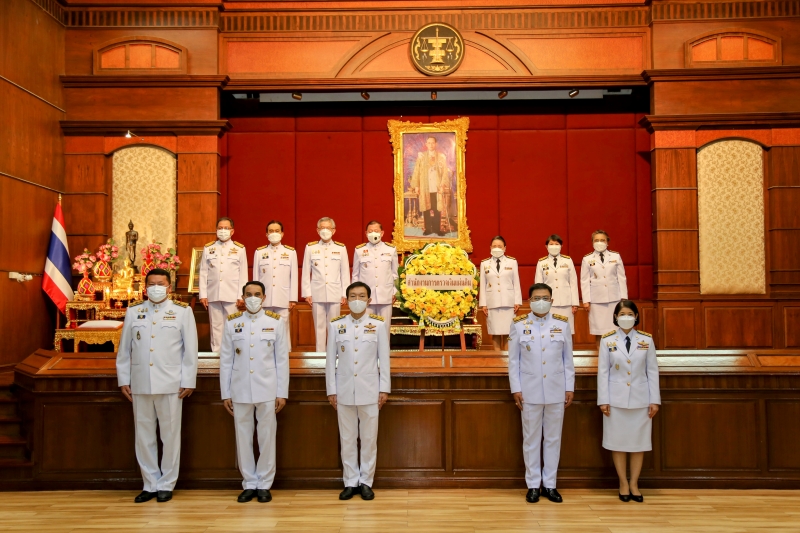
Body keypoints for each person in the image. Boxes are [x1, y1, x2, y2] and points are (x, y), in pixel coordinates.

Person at [116, 268, 198, 503]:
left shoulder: (182, 311)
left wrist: (188, 380)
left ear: (169, 287)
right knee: (144, 436)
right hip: (140, 382)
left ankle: (166, 484)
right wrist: (124, 379)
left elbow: (190, 350)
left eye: (160, 284)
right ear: (145, 287)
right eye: (151, 284)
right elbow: (125, 350)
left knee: (170, 436)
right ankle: (150, 483)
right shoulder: (134, 311)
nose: (156, 288)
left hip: (171, 383)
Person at [219, 281, 289, 504]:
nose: (252, 298)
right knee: (243, 437)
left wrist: (282, 392)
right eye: (248, 294)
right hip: (239, 388)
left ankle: (264, 484)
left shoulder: (275, 322)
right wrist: (225, 393)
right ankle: (249, 482)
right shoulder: (232, 323)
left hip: (267, 388)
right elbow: (226, 360)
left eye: (257, 294)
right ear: (242, 297)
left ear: (264, 297)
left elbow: (282, 360)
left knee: (267, 437)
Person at [508, 283, 575, 504]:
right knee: (531, 439)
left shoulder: (562, 324)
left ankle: (550, 484)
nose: (541, 302)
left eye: (545, 298)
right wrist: (516, 388)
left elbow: (568, 359)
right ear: (529, 301)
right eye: (537, 298)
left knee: (553, 439)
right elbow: (513, 361)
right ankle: (533, 485)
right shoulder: (518, 324)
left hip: (556, 389)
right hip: (529, 390)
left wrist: (569, 387)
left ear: (552, 300)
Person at [325, 282, 390, 501]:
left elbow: (384, 360)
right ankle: (350, 481)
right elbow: (330, 361)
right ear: (346, 300)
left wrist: (384, 388)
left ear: (369, 300)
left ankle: (366, 482)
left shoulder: (378, 325)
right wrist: (331, 390)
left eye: (361, 296)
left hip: (370, 390)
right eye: (353, 296)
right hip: (343, 390)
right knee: (347, 438)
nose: (357, 300)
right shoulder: (336, 325)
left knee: (369, 439)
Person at [597, 300, 660, 503]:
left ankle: (634, 484)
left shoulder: (646, 340)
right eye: (622, 314)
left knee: (638, 444)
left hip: (641, 400)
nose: (626, 317)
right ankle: (623, 482)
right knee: (618, 443)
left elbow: (652, 371)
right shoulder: (607, 340)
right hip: (615, 401)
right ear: (616, 317)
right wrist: (603, 400)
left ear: (636, 316)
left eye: (630, 314)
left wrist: (654, 400)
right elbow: (603, 373)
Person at [199, 217, 248, 352]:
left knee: (233, 325)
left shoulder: (239, 248)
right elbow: (203, 272)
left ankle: (234, 353)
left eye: (226, 228)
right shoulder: (209, 248)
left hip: (232, 295)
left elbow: (243, 274)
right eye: (220, 228)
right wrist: (203, 295)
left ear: (232, 231)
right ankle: (216, 354)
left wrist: (241, 295)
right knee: (216, 326)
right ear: (216, 230)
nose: (223, 231)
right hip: (213, 293)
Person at [302, 217, 350, 352]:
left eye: (328, 228)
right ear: (317, 230)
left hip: (335, 293)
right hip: (317, 293)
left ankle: (333, 354)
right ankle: (320, 356)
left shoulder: (341, 248)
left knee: (334, 327)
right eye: (322, 228)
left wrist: (345, 293)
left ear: (333, 231)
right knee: (319, 327)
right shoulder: (311, 247)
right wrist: (307, 293)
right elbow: (306, 271)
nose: (325, 231)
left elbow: (345, 272)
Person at [253, 220, 298, 350]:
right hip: (264, 300)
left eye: (277, 231)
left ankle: (285, 354)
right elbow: (256, 278)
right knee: (265, 328)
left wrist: (292, 298)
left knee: (283, 329)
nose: (274, 233)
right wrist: (256, 298)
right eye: (271, 231)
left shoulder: (290, 252)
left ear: (282, 234)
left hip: (283, 298)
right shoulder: (259, 252)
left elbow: (294, 277)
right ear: (266, 234)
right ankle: (265, 353)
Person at [352, 220, 398, 339]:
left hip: (386, 296)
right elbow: (355, 275)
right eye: (370, 231)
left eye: (376, 231)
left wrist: (394, 292)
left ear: (382, 233)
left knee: (384, 330)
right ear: (366, 233)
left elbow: (395, 274)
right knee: (367, 331)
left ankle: (384, 351)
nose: (373, 233)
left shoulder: (391, 249)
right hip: (366, 298)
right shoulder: (359, 250)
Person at [580, 230, 627, 341]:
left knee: (616, 329)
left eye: (602, 240)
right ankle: (601, 352)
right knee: (599, 331)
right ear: (592, 242)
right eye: (596, 240)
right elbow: (584, 281)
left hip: (614, 298)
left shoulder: (616, 256)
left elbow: (621, 278)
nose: (599, 242)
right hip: (596, 300)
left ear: (607, 242)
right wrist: (586, 300)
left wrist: (624, 297)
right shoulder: (587, 259)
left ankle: (616, 352)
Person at [479, 236, 522, 350]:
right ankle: (497, 357)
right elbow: (483, 284)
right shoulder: (485, 263)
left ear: (505, 248)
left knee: (508, 332)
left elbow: (516, 282)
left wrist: (517, 301)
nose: (497, 248)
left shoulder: (512, 262)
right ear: (490, 247)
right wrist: (483, 304)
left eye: (499, 246)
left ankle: (507, 358)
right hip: (492, 302)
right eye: (494, 246)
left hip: (509, 302)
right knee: (495, 332)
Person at [535, 235, 579, 334]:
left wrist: (575, 303)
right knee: (550, 331)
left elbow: (573, 282)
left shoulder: (568, 261)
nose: (554, 246)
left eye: (556, 244)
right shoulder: (541, 262)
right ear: (546, 246)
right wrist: (540, 303)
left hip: (566, 302)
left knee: (566, 331)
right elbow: (538, 286)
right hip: (549, 303)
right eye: (551, 244)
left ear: (561, 246)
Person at [409, 136, 451, 236]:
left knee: (436, 209)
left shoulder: (441, 156)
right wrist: (416, 186)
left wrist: (442, 185)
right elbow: (416, 171)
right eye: (429, 143)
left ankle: (437, 229)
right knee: (427, 209)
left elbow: (445, 172)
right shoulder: (421, 157)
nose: (431, 145)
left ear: (435, 144)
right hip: (425, 187)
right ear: (426, 144)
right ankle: (428, 229)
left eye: (433, 143)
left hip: (436, 187)